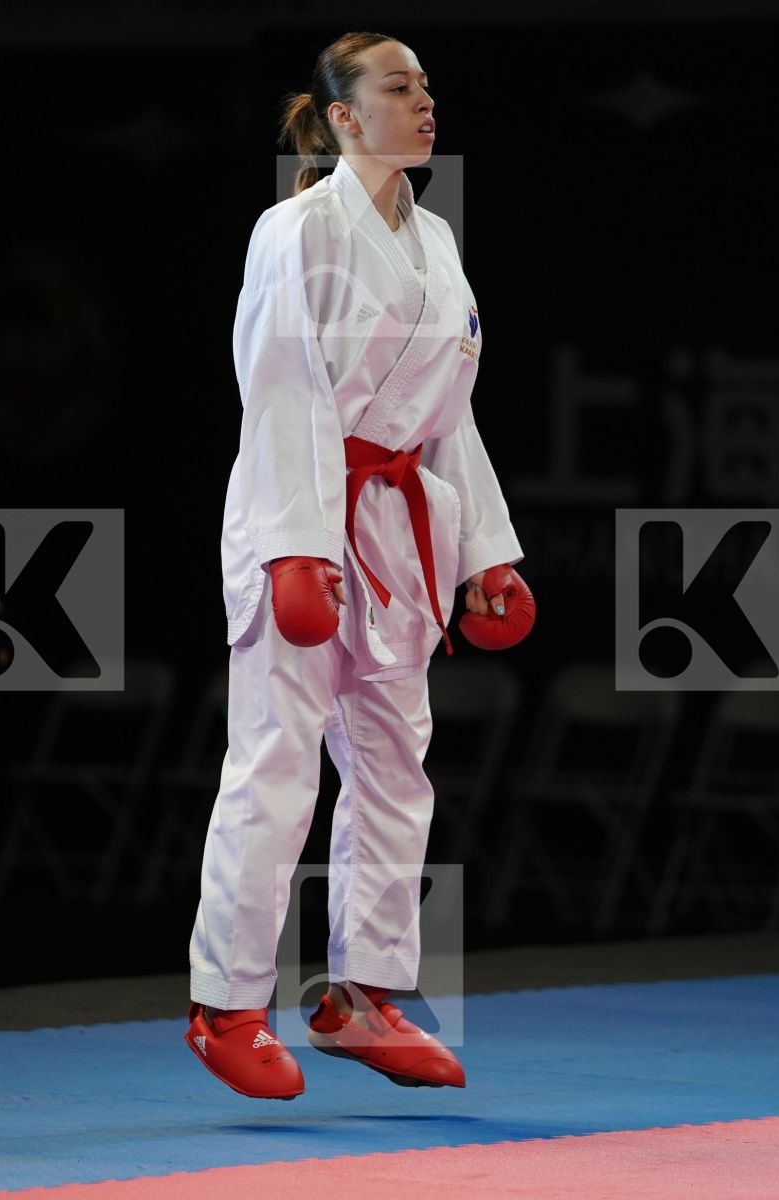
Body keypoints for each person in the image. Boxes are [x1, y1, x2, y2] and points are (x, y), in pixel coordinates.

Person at [186, 31, 537, 1101]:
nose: (424, 101)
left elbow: (451, 418)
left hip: (393, 530)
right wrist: (297, 549)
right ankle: (226, 1004)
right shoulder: (295, 229)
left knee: (394, 763)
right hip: (303, 513)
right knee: (277, 763)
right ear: (344, 119)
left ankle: (363, 996)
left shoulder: (436, 239)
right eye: (398, 87)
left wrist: (488, 554)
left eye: (427, 85)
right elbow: (281, 388)